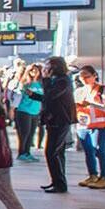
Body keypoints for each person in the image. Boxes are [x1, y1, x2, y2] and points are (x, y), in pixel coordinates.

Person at [39, 56, 76, 193]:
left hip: (59, 120)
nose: (45, 68)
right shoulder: (60, 80)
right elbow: (48, 97)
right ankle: (57, 181)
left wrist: (46, 79)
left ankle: (59, 184)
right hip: (55, 120)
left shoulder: (62, 81)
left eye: (47, 65)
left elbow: (50, 96)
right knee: (57, 152)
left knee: (52, 152)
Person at [74, 65, 105, 189]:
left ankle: (104, 177)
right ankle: (92, 175)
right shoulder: (79, 91)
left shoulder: (103, 90)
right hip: (84, 125)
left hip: (101, 125)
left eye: (87, 76)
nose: (85, 79)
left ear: (94, 75)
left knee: (99, 150)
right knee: (88, 151)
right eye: (82, 77)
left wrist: (91, 103)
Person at [10, 63, 44, 162]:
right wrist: (12, 109)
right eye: (31, 70)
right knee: (24, 133)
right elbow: (17, 96)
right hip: (24, 110)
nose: (33, 72)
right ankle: (21, 153)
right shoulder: (24, 83)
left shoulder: (40, 84)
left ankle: (27, 152)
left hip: (35, 111)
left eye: (36, 70)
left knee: (31, 133)